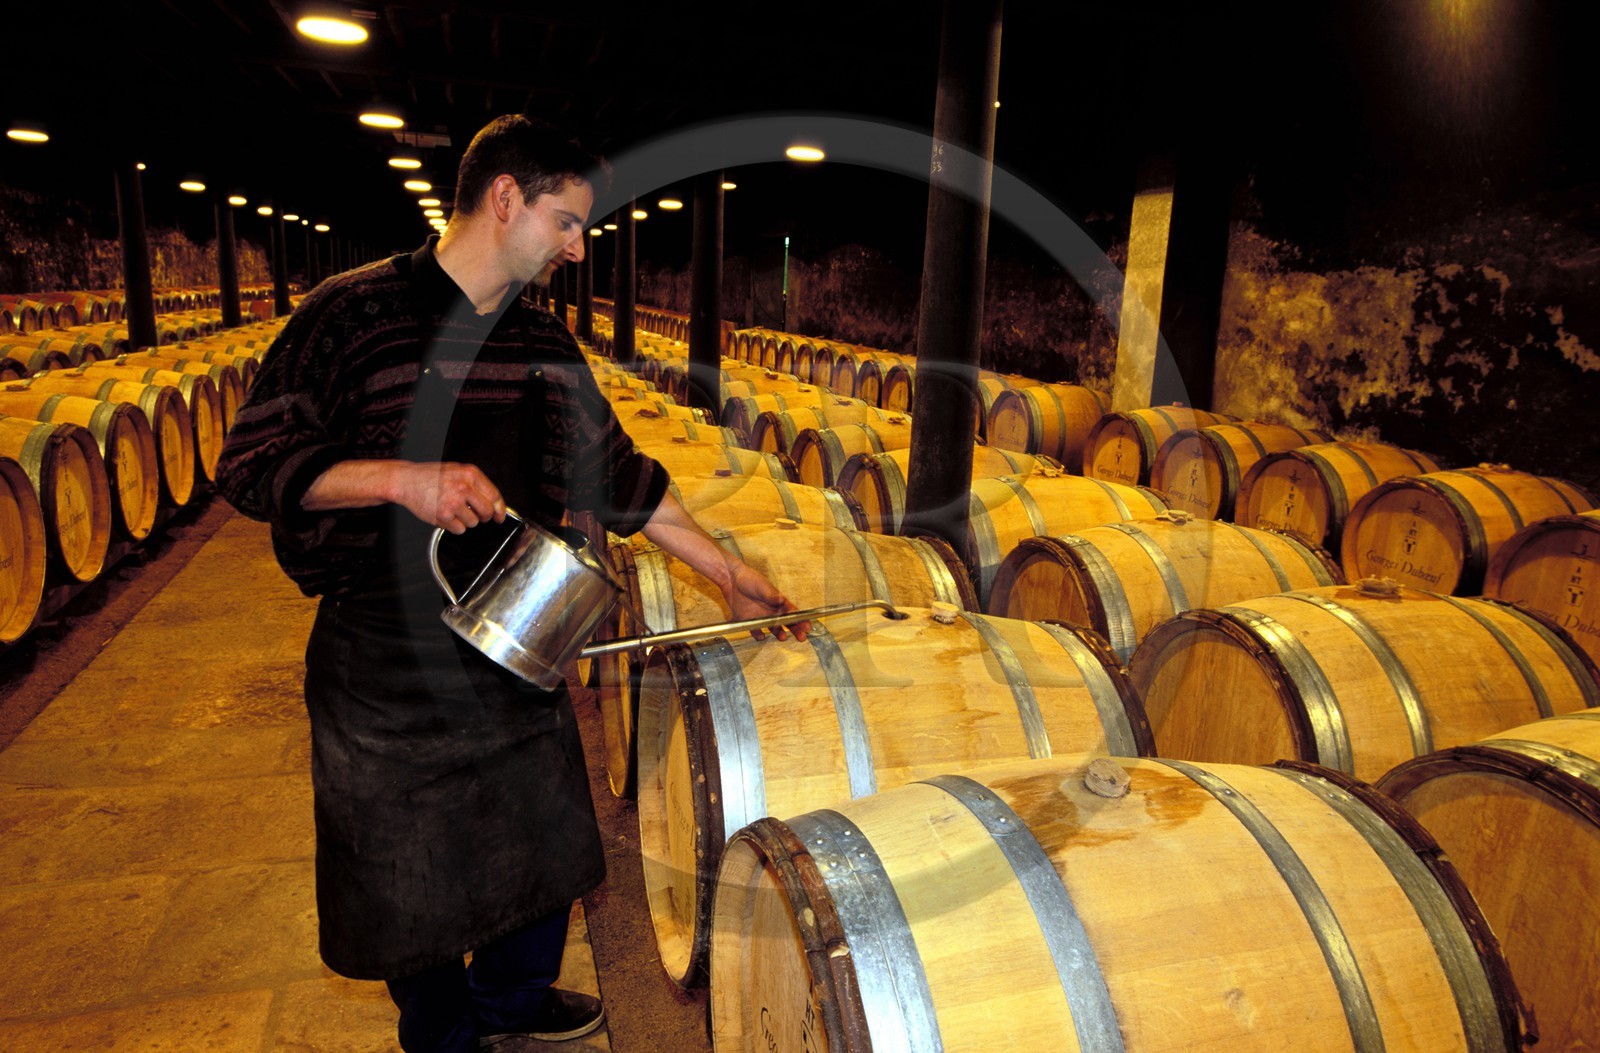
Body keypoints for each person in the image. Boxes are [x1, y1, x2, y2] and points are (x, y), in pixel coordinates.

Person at [216, 114, 807, 1052]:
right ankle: (445, 1030)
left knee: (544, 852)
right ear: (504, 199)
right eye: (566, 222)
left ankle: (510, 1000)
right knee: (408, 877)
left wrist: (728, 570)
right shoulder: (352, 316)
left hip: (511, 636)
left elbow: (618, 474)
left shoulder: (539, 339)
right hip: (382, 655)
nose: (578, 248)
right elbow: (251, 462)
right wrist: (403, 480)